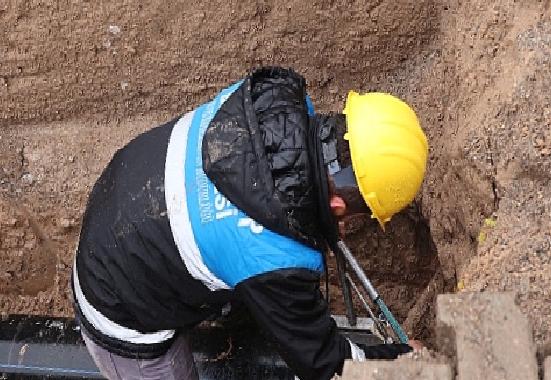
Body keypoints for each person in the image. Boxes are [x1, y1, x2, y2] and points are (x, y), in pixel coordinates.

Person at [72, 67, 429, 380]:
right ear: (339, 204)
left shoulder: (273, 102)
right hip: (118, 308)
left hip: (123, 203)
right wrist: (406, 362)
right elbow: (326, 365)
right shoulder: (273, 258)